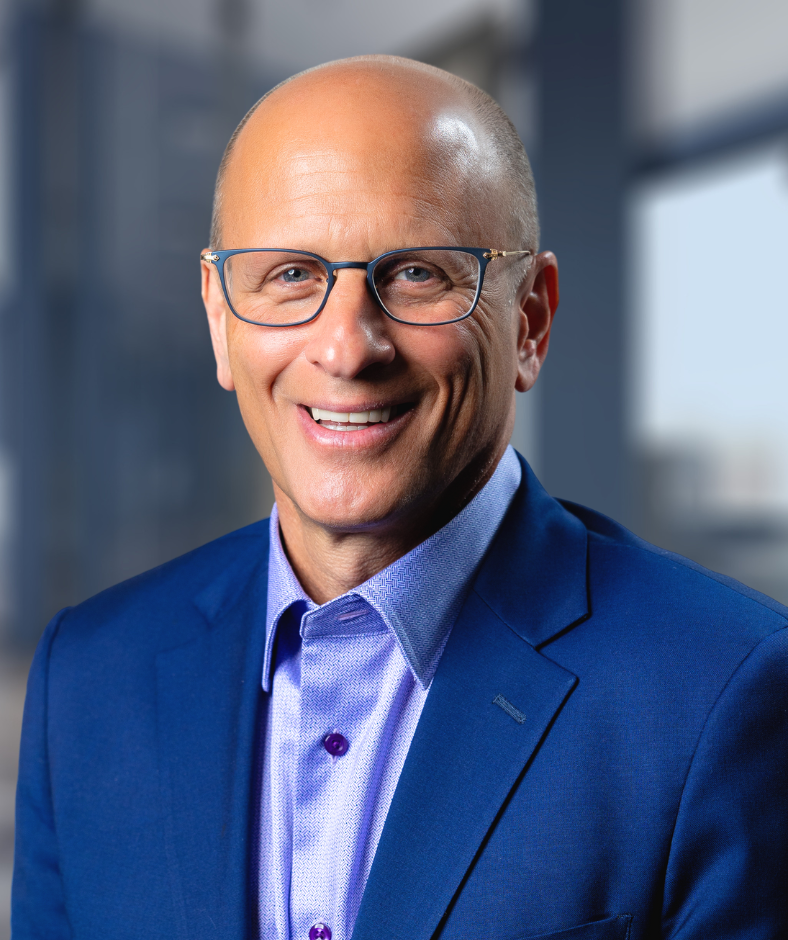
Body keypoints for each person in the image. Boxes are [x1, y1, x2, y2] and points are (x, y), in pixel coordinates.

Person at [12, 55, 787, 940]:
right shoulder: (88, 679)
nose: (347, 348)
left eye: (418, 273)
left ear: (530, 319)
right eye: (291, 275)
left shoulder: (724, 695)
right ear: (221, 321)